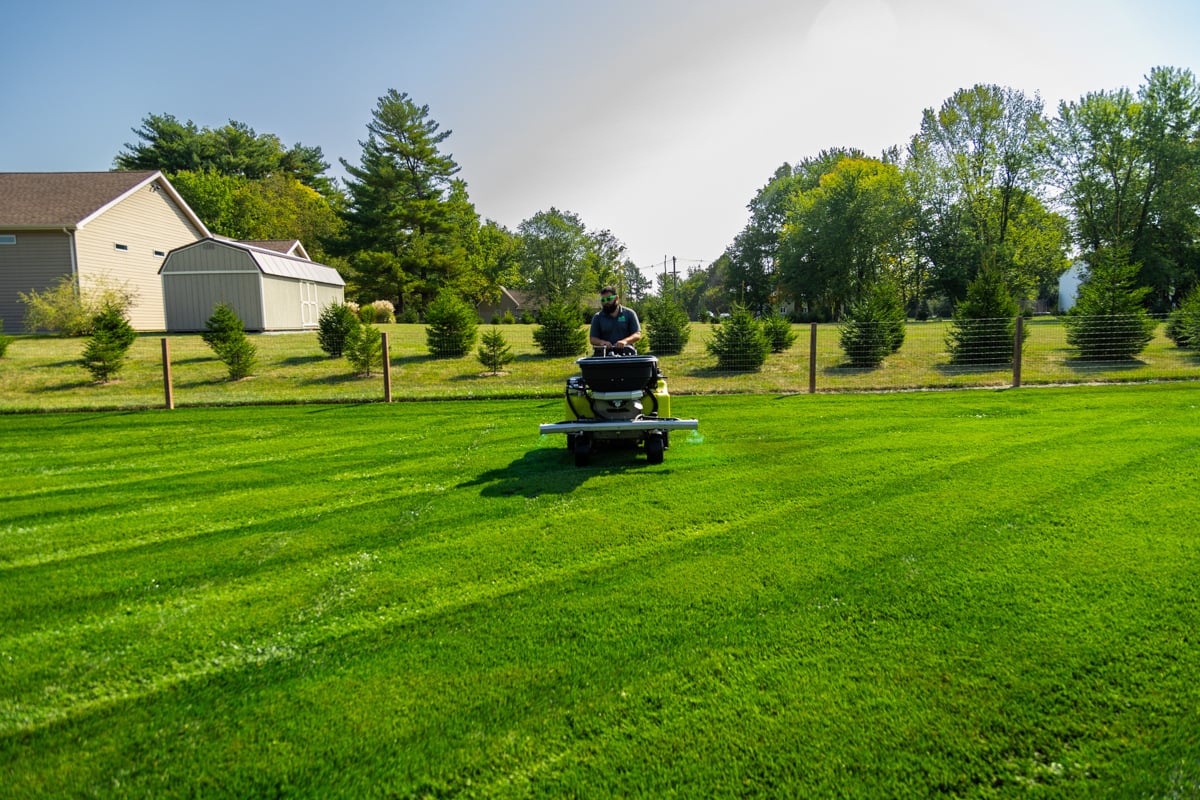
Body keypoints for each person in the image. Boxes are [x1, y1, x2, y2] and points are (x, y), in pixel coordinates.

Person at [589, 287, 642, 353]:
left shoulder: (629, 314)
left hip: (627, 353)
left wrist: (625, 341)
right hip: (604, 355)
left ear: (616, 298)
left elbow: (637, 334)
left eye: (609, 299)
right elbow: (593, 339)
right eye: (603, 300)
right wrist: (602, 342)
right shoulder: (597, 317)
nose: (606, 302)